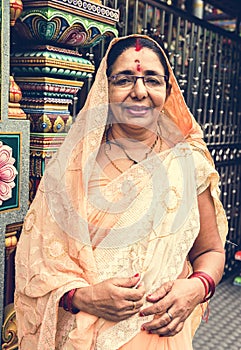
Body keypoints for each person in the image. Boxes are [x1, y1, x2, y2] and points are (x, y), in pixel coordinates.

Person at [14, 34, 228, 350]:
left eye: (152, 81)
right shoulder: (74, 167)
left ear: (167, 92)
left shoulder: (188, 163)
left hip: (158, 337)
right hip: (80, 337)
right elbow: (38, 262)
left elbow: (210, 252)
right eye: (124, 80)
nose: (139, 92)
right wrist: (81, 296)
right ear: (106, 89)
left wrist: (197, 288)